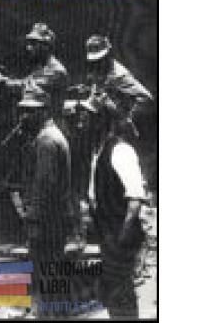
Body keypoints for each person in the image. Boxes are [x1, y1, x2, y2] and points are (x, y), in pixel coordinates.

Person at [12, 85, 72, 316]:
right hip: (55, 221)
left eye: (30, 111)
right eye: (22, 110)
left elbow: (43, 187)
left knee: (47, 281)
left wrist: (33, 221)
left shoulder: (46, 141)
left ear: (44, 111)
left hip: (47, 223)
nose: (24, 116)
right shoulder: (52, 136)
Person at [87, 95, 147, 318]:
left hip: (119, 237)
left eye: (93, 117)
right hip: (108, 235)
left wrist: (121, 238)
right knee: (113, 293)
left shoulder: (121, 151)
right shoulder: (100, 150)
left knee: (122, 294)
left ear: (105, 121)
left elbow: (135, 199)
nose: (86, 122)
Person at [85, 35, 152, 137]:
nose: (97, 63)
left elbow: (146, 98)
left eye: (100, 59)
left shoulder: (119, 75)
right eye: (94, 61)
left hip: (118, 129)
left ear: (107, 55)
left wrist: (127, 118)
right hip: (102, 124)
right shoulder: (99, 70)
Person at [22, 22, 68, 117]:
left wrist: (2, 80)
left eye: (33, 44)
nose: (29, 48)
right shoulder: (40, 66)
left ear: (46, 46)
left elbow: (28, 87)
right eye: (29, 43)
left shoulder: (56, 70)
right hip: (38, 118)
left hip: (51, 122)